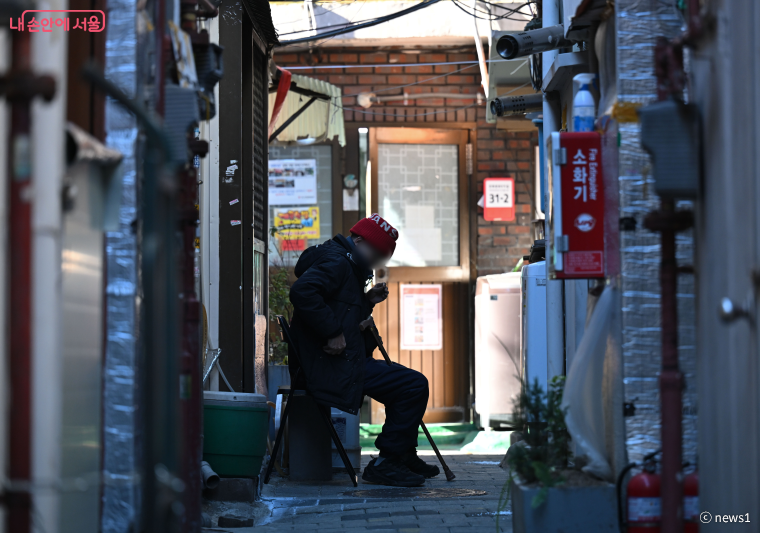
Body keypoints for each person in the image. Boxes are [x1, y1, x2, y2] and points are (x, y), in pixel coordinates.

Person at [288, 214, 438, 487]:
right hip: (328, 365)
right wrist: (332, 332)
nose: (377, 261)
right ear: (358, 240)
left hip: (336, 361)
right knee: (413, 385)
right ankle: (389, 461)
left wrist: (366, 303)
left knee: (406, 382)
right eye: (377, 253)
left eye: (383, 257)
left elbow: (337, 307)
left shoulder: (346, 262)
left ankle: (401, 454)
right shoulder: (337, 262)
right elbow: (302, 292)